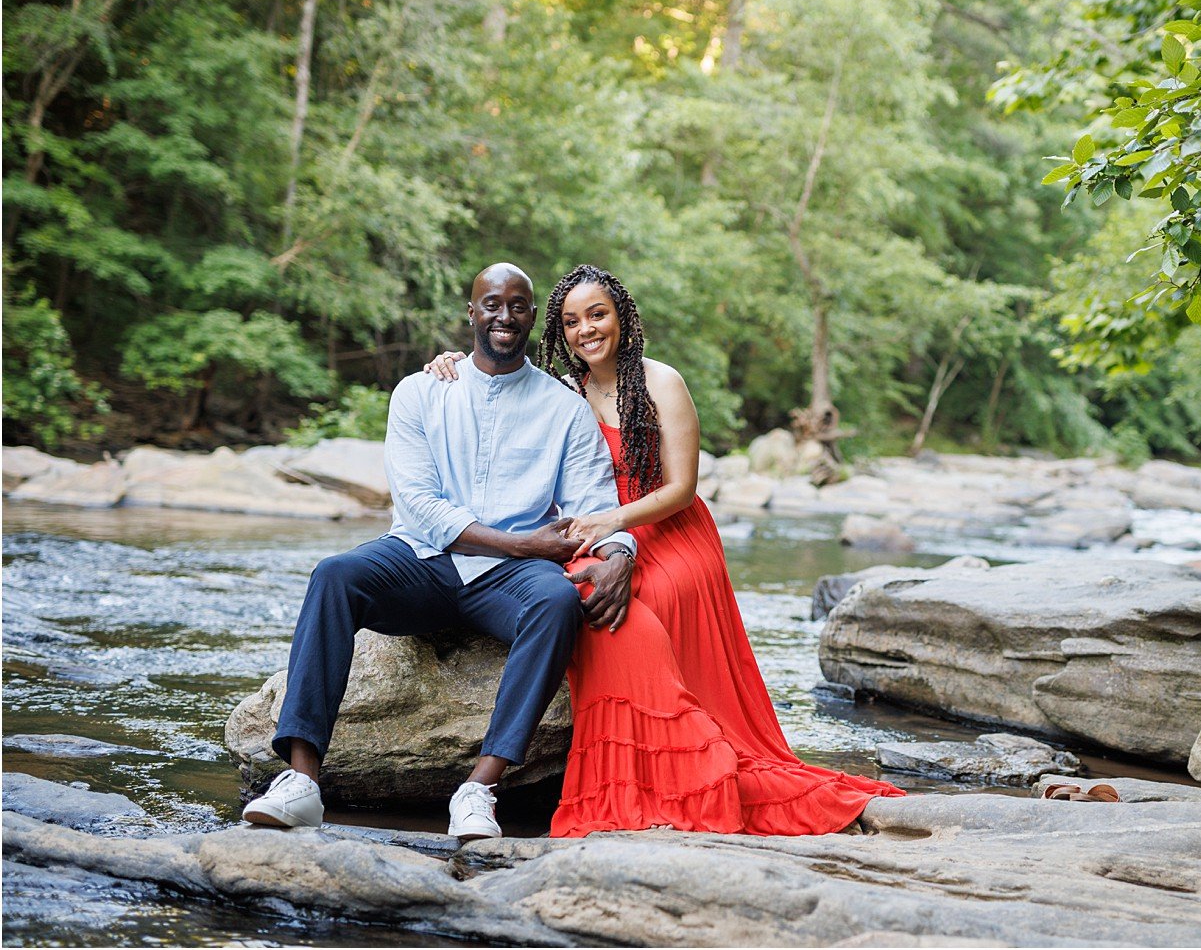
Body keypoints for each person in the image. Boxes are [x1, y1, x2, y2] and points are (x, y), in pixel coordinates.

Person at [425, 264, 904, 836]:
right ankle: (631, 777)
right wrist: (446, 363)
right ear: (558, 331)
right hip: (601, 535)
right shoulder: (560, 392)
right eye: (572, 322)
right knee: (579, 596)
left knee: (637, 604)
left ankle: (687, 761)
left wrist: (609, 520)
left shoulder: (661, 382)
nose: (586, 331)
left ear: (622, 317)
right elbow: (497, 379)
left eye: (597, 315)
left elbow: (681, 490)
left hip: (669, 531)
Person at [243, 263, 638, 841]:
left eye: (518, 306)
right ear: (471, 314)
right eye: (492, 304)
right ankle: (302, 782)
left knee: (556, 601)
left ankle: (479, 789)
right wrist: (523, 541)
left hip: (512, 579)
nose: (504, 317)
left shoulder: (565, 409)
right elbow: (421, 506)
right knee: (334, 574)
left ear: (533, 317)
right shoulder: (422, 390)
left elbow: (593, 502)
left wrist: (621, 551)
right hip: (419, 560)